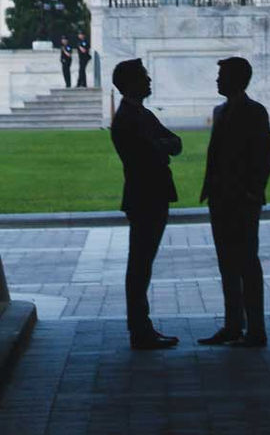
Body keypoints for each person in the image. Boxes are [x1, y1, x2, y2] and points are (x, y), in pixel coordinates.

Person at [197, 56, 270, 348]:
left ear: (236, 79)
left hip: (243, 200)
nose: (217, 80)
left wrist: (254, 191)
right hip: (220, 199)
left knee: (247, 264)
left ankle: (256, 329)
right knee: (227, 263)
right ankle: (233, 325)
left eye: (222, 75)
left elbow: (265, 154)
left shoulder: (255, 112)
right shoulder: (220, 111)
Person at [110, 58, 182, 350]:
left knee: (142, 263)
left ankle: (141, 325)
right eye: (144, 77)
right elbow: (149, 152)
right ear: (131, 83)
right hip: (145, 195)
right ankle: (140, 328)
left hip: (151, 194)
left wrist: (161, 147)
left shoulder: (141, 114)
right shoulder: (129, 117)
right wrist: (161, 147)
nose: (149, 81)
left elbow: (173, 143)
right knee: (140, 264)